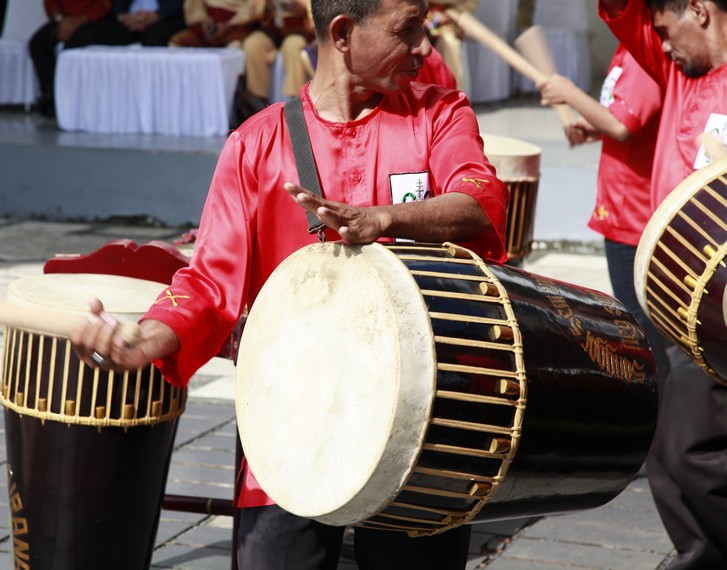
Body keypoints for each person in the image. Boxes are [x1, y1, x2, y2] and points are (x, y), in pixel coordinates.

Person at [71, 0, 509, 566]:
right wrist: (144, 339)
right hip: (296, 415)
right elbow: (208, 281)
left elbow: (482, 203)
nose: (425, 45)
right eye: (408, 30)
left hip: (422, 421)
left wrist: (385, 218)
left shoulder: (439, 113)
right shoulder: (254, 145)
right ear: (343, 34)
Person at [599, 0, 727, 567]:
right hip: (675, 295)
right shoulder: (678, 67)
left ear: (699, 11)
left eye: (665, 28)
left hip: (722, 306)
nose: (659, 43)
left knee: (693, 450)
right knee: (667, 451)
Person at [536, 44, 670, 382]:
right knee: (637, 320)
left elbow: (623, 125)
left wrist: (568, 91)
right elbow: (631, 121)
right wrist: (593, 126)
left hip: (635, 216)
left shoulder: (642, 55)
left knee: (643, 325)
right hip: (620, 209)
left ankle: (664, 410)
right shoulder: (626, 50)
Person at [29, 0, 113, 117]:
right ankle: (50, 93)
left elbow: (103, 5)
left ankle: (72, 99)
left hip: (92, 20)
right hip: (64, 19)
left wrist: (76, 23)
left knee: (72, 49)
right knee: (37, 43)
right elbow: (51, 3)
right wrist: (62, 21)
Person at [237, 0, 316, 111]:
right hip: (273, 30)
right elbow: (255, 13)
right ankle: (258, 99)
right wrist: (266, 6)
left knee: (292, 46)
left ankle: (295, 100)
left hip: (298, 29)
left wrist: (302, 9)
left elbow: (315, 16)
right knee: (252, 44)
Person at [58, 0, 186, 49]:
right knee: (83, 36)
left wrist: (158, 15)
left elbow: (185, 4)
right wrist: (122, 17)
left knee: (153, 39)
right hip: (128, 21)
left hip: (165, 18)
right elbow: (115, 5)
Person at [425, 0, 479, 89]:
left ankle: (450, 94)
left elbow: (471, 2)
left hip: (447, 24)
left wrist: (449, 14)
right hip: (420, 16)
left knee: (449, 45)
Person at [168, 0, 265, 47]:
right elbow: (193, 3)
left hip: (236, 25)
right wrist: (203, 21)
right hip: (207, 24)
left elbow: (255, 6)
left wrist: (229, 25)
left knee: (235, 47)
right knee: (175, 43)